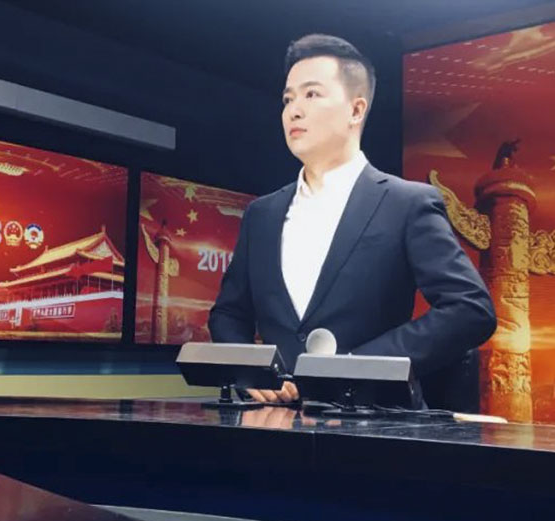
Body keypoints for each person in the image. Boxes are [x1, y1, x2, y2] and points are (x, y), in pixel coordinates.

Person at [208, 34, 496, 405]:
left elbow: (470, 309)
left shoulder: (406, 203)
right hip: (274, 424)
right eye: (288, 99)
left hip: (374, 424)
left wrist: (353, 369)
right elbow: (229, 313)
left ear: (356, 110)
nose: (294, 110)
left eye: (312, 94)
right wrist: (250, 371)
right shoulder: (261, 215)